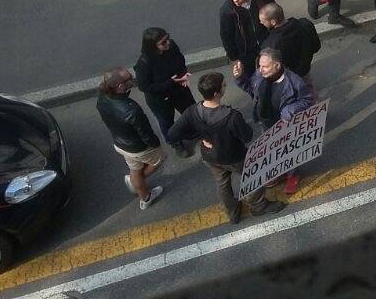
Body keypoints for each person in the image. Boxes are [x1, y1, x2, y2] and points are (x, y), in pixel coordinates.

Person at [166, 72, 285, 223]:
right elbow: (247, 136)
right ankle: (258, 205)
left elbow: (172, 134)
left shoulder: (192, 112)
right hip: (234, 156)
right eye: (224, 85)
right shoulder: (231, 116)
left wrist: (200, 138)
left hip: (210, 156)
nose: (225, 86)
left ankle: (233, 211)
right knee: (253, 175)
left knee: (222, 183)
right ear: (217, 93)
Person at [233, 49, 315, 195]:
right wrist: (240, 78)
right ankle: (279, 171)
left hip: (286, 123)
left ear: (277, 65)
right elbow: (251, 89)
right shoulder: (259, 76)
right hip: (265, 121)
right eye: (259, 66)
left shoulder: (294, 82)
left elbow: (308, 100)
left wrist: (290, 110)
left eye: (265, 66)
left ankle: (293, 174)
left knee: (290, 149)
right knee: (272, 149)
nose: (260, 70)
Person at [96, 67, 165, 210]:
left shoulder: (102, 97)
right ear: (120, 86)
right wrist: (155, 144)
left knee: (135, 168)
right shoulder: (131, 109)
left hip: (121, 144)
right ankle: (136, 183)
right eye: (129, 79)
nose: (132, 80)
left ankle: (145, 198)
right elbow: (146, 134)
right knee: (159, 159)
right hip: (138, 147)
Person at [134, 27, 196, 158]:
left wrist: (183, 73)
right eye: (163, 42)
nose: (168, 43)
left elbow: (180, 60)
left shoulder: (171, 46)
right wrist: (170, 83)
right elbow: (144, 87)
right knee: (167, 122)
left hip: (179, 89)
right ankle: (175, 142)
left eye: (167, 38)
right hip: (161, 99)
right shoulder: (144, 63)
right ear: (152, 46)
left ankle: (194, 131)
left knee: (190, 110)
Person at [259, 3, 322, 94]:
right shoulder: (304, 24)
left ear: (273, 22)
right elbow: (316, 46)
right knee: (310, 89)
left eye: (263, 21)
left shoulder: (271, 44)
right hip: (305, 69)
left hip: (290, 78)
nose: (261, 23)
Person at [219, 0, 275, 67]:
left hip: (268, 44)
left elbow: (275, 13)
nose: (235, 0)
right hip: (247, 54)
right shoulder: (227, 11)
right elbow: (226, 37)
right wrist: (234, 58)